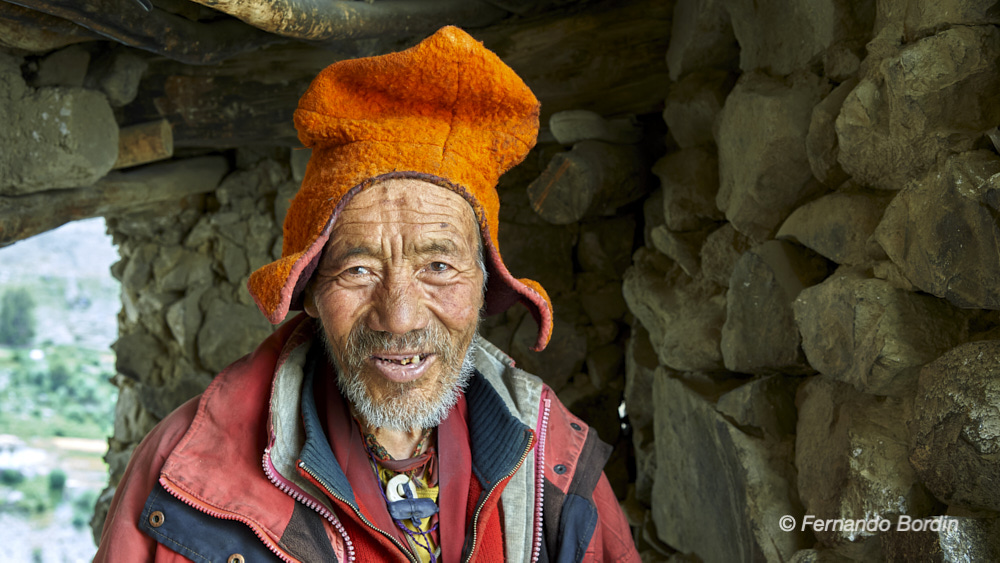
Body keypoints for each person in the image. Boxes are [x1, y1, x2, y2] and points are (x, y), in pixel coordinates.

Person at [95, 26, 639, 563]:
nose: (399, 318)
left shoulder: (551, 456)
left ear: (483, 285)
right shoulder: (189, 469)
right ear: (309, 290)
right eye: (357, 270)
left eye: (439, 265)